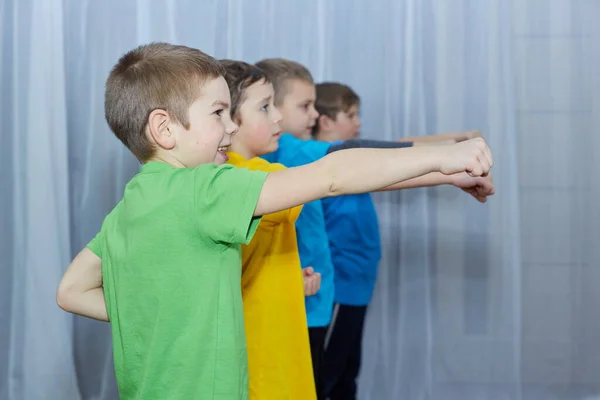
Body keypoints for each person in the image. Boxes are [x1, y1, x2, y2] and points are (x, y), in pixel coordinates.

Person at [56, 43, 494, 400]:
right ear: (165, 129)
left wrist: (164, 314)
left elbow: (71, 292)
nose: (231, 127)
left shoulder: (129, 208)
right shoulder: (206, 187)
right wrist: (445, 154)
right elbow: (333, 176)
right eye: (217, 114)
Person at [255, 58, 495, 398]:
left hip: (331, 288)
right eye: (304, 106)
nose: (311, 115)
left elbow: (386, 160)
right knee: (325, 382)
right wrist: (452, 161)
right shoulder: (288, 155)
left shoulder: (293, 152)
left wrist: (453, 165)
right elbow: (358, 155)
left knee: (341, 378)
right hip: (325, 291)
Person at [220, 59, 320, 399]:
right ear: (229, 120)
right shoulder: (250, 179)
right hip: (262, 362)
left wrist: (290, 279)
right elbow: (337, 177)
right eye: (265, 107)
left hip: (272, 345)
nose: (277, 117)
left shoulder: (242, 174)